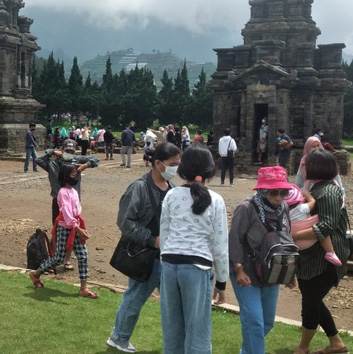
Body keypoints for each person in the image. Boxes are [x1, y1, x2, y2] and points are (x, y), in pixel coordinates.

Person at [107, 142, 181, 353]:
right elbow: (125, 222)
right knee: (135, 296)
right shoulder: (138, 188)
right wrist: (152, 239)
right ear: (158, 164)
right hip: (145, 255)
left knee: (172, 302)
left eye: (178, 164)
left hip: (167, 256)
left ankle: (174, 344)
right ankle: (118, 337)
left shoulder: (172, 189)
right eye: (173, 164)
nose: (176, 168)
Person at [159, 145, 229, 354]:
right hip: (197, 266)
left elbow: (165, 235)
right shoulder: (216, 200)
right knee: (197, 328)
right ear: (210, 169)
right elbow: (220, 244)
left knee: (172, 328)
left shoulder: (171, 195)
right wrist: (222, 281)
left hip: (170, 264)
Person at [228, 166, 296, 354]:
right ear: (263, 190)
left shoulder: (284, 208)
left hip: (270, 272)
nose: (279, 197)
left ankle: (247, 351)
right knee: (254, 321)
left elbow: (287, 239)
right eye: (274, 192)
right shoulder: (246, 208)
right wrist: (238, 269)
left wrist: (289, 272)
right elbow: (234, 239)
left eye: (284, 192)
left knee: (267, 322)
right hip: (246, 271)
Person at [290, 150, 350, 354]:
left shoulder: (329, 192)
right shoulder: (316, 189)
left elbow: (327, 226)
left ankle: (303, 348)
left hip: (325, 260)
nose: (302, 168)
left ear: (317, 167)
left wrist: (293, 236)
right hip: (311, 257)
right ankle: (336, 343)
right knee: (312, 299)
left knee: (310, 302)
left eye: (306, 165)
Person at [28, 164, 98, 299]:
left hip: (75, 226)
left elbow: (76, 209)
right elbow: (66, 212)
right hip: (65, 228)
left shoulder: (74, 192)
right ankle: (36, 274)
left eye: (75, 174)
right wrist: (77, 228)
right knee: (59, 258)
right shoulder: (62, 192)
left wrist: (78, 226)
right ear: (65, 176)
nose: (75, 176)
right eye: (72, 174)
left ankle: (84, 288)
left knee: (83, 255)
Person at [286, 184, 342, 266]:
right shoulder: (301, 208)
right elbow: (312, 202)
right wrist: (307, 195)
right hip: (307, 236)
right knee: (322, 228)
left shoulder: (284, 211)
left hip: (294, 241)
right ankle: (330, 252)